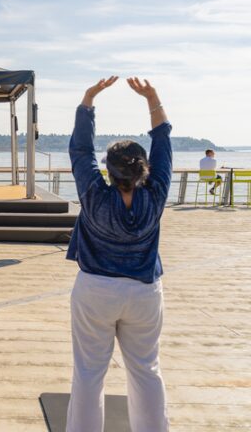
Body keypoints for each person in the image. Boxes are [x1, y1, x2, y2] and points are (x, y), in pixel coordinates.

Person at [65, 76, 171, 432]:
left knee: (88, 373)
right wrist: (152, 98)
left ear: (108, 171)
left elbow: (80, 151)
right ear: (144, 170)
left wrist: (88, 99)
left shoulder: (94, 194)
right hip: (144, 291)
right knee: (146, 370)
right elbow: (163, 142)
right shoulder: (155, 194)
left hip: (95, 290)